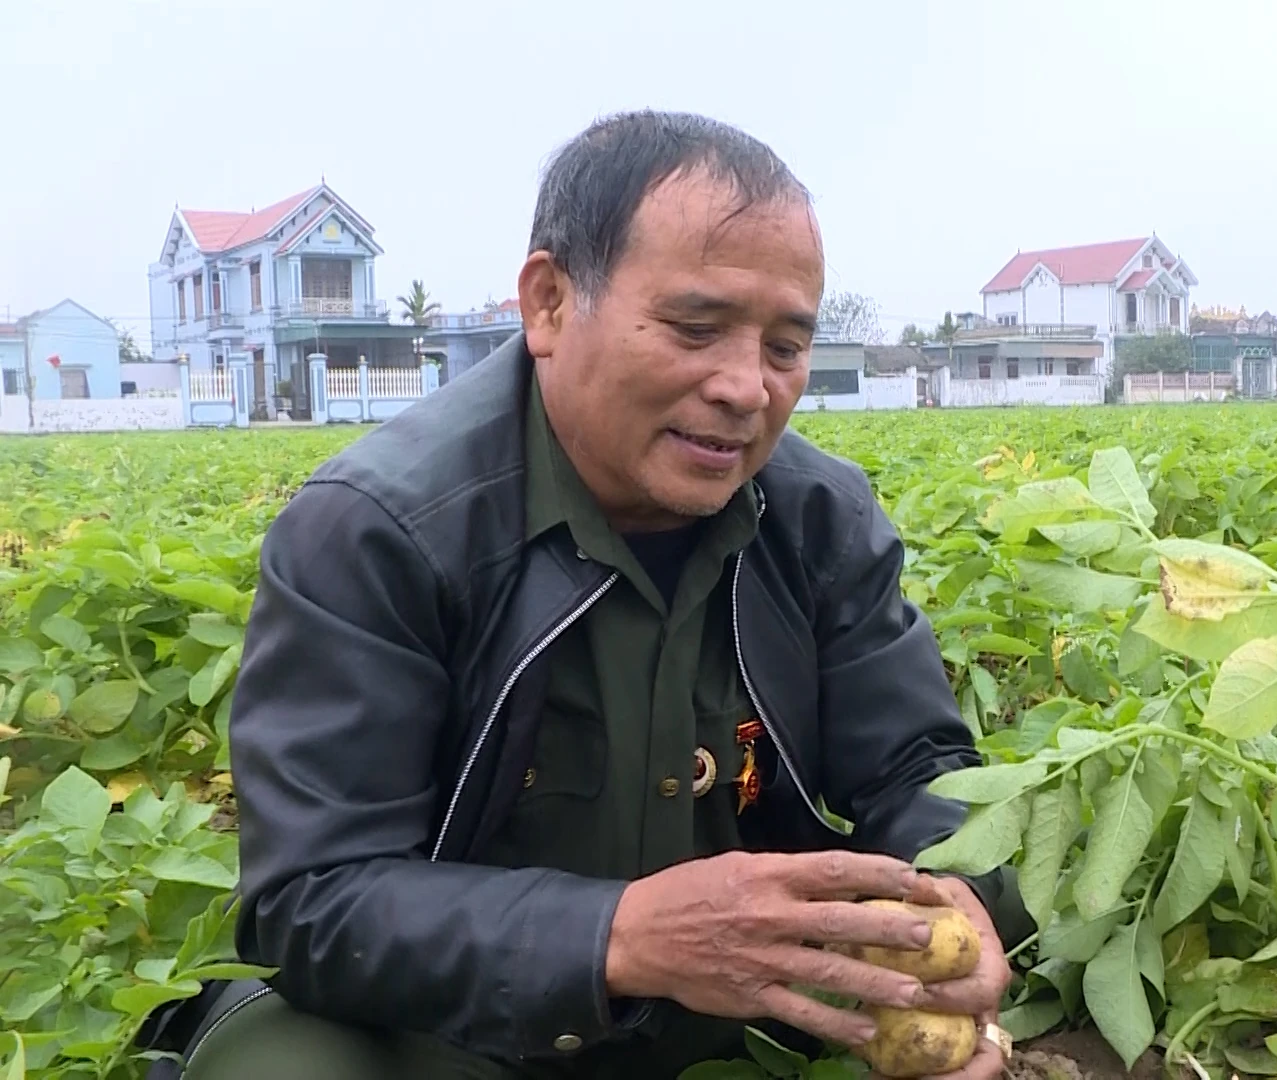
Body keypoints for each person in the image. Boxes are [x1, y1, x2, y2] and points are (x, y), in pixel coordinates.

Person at [145, 110, 1032, 1079]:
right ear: (551, 303)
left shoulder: (819, 519)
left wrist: (949, 901)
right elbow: (311, 905)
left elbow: (922, 772)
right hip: (461, 1029)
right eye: (696, 328)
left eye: (785, 348)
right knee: (285, 1068)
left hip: (745, 1016)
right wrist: (620, 936)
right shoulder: (379, 531)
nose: (746, 387)